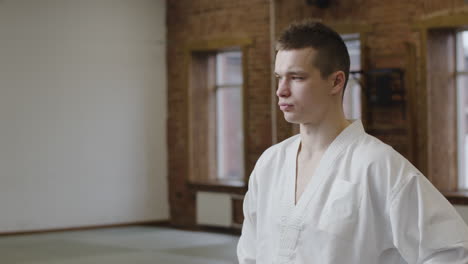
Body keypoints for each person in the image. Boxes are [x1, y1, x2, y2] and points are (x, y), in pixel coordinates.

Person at [237, 20, 468, 264]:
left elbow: (452, 254)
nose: (281, 90)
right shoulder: (270, 163)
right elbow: (250, 252)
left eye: (296, 77)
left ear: (336, 82)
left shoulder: (378, 165)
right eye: (279, 77)